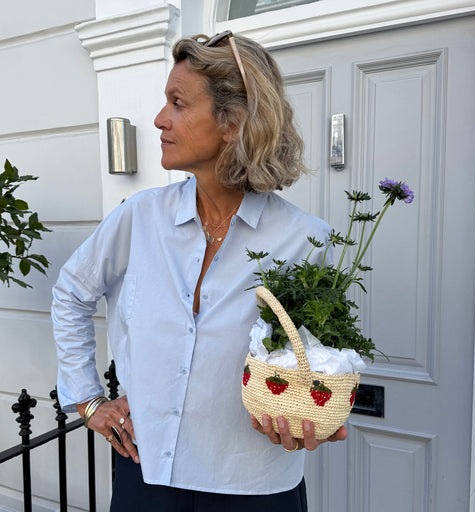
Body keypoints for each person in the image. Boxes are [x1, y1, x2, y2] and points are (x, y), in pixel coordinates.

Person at [52, 31, 347, 511]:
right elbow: (71, 291)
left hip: (252, 485)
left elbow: (318, 359)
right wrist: (88, 400)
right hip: (146, 471)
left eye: (178, 103)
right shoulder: (140, 217)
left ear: (233, 121)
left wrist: (316, 415)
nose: (159, 119)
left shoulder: (305, 240)